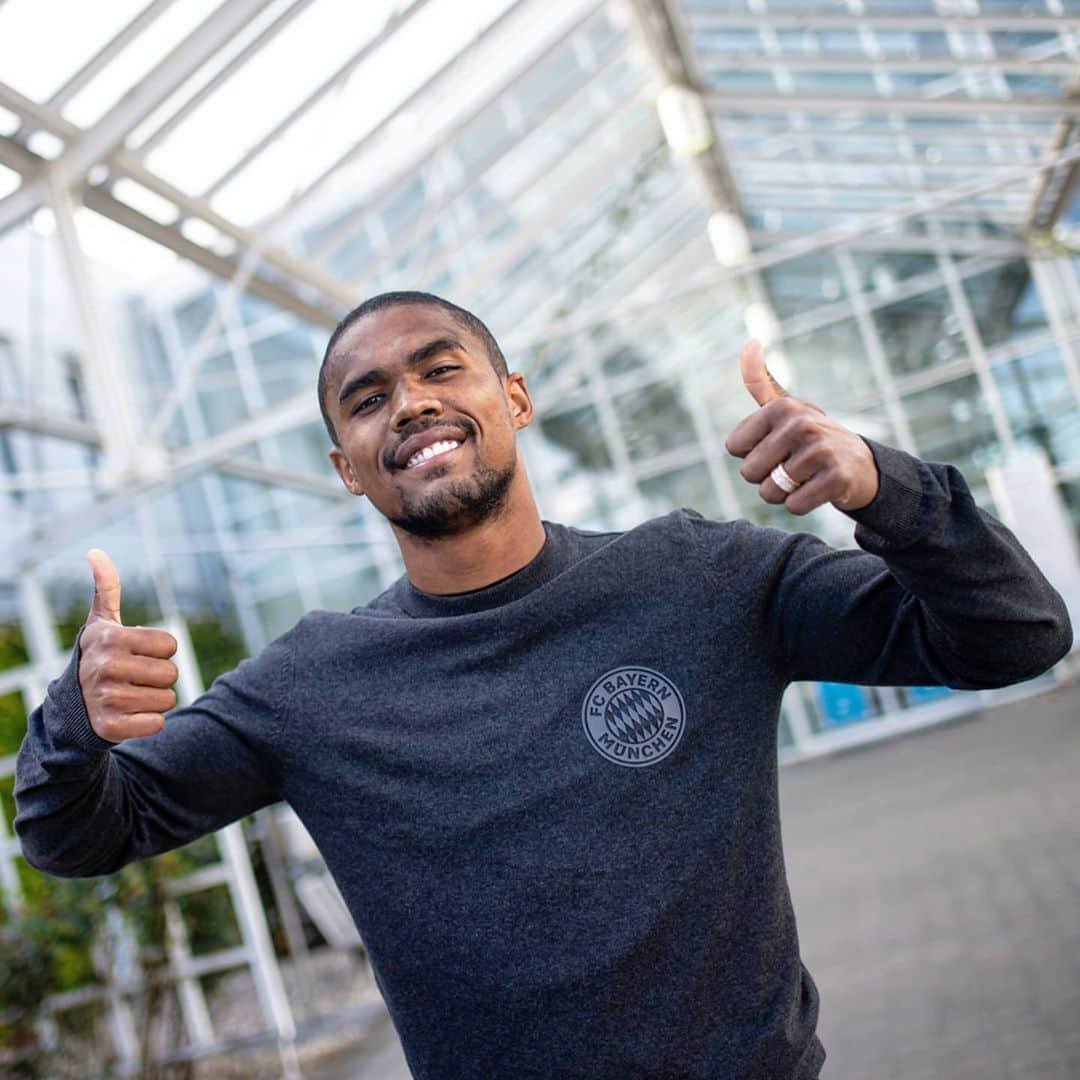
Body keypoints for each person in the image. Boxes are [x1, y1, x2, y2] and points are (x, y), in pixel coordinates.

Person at [15, 291, 1072, 1079]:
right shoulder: (310, 685)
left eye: (442, 369)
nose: (412, 404)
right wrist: (74, 719)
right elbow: (78, 837)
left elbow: (1016, 636)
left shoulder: (699, 579)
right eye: (369, 398)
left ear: (513, 398)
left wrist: (891, 490)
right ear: (346, 464)